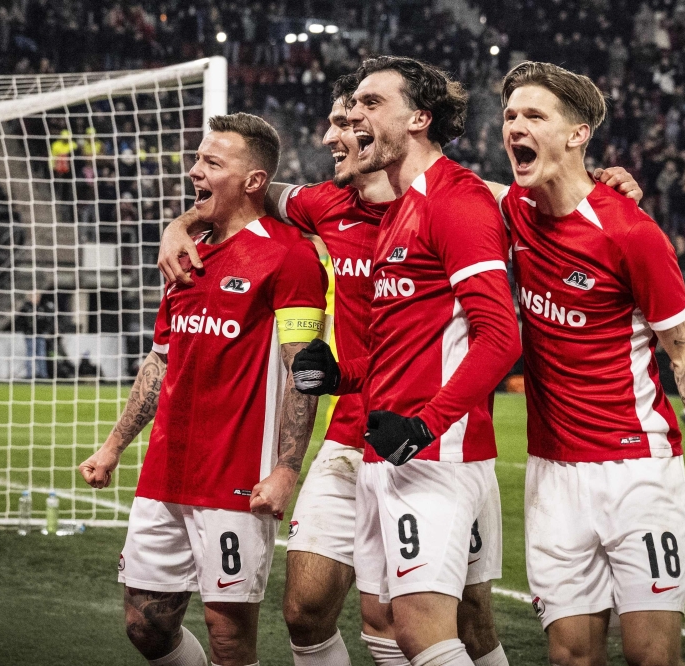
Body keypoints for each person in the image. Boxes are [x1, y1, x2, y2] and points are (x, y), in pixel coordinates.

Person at [157, 74, 644, 666]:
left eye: (358, 115)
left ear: (410, 121)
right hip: (356, 433)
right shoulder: (328, 203)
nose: (338, 134)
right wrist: (182, 223)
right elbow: (246, 190)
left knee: (457, 619)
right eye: (340, 120)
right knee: (313, 609)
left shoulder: (459, 200)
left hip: (437, 435)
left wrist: (600, 185)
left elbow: (528, 221)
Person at [291, 55, 525, 666]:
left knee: (428, 632)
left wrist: (425, 425)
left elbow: (501, 337)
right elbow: (401, 351)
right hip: (388, 447)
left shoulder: (456, 199)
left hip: (432, 451)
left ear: (419, 119)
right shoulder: (400, 209)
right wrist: (340, 376)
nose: (351, 119)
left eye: (371, 104)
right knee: (390, 624)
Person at [78, 113, 328, 666]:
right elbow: (162, 359)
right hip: (165, 470)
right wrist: (114, 446)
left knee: (228, 636)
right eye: (197, 159)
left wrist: (287, 469)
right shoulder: (184, 252)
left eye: (212, 163)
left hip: (237, 477)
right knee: (145, 622)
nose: (195, 172)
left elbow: (303, 370)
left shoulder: (290, 255)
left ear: (254, 181)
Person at [496, 61, 685, 666]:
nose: (515, 125)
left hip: (636, 473)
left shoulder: (630, 232)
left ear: (578, 134)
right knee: (571, 658)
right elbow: (424, 189)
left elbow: (684, 347)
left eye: (534, 115)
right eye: (510, 115)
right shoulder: (509, 211)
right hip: (551, 473)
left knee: (652, 658)